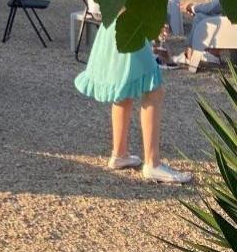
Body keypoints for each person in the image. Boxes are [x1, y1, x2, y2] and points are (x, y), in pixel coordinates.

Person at [75, 11, 193, 184]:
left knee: (124, 87)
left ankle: (120, 153)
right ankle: (152, 163)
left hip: (117, 25)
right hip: (129, 25)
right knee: (154, 91)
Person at [173, 0, 233, 69]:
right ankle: (208, 53)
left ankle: (190, 53)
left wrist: (192, 7)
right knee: (202, 17)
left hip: (230, 24)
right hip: (230, 21)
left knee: (200, 17)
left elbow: (211, 7)